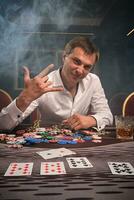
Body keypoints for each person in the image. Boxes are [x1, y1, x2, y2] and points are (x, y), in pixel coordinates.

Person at [0, 36, 113, 130]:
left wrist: (90, 120)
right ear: (64, 57)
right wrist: (25, 98)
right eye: (76, 61)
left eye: (87, 67)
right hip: (48, 143)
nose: (80, 70)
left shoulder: (93, 80)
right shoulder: (42, 84)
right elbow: (3, 125)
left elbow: (107, 116)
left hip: (81, 144)